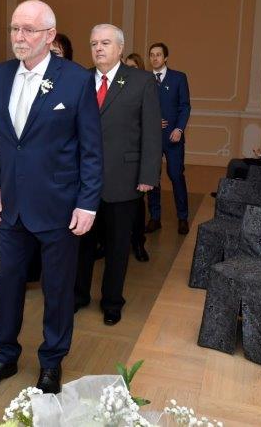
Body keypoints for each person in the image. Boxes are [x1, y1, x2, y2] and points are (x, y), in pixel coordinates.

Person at [0, 0, 102, 397]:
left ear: (49, 35)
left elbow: (91, 149)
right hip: (10, 206)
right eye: (15, 28)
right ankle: (5, 356)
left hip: (60, 205)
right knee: (8, 284)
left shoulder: (76, 79)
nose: (19, 37)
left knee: (57, 289)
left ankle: (51, 362)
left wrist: (87, 203)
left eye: (28, 30)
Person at [74, 25, 161, 325]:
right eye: (93, 43)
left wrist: (148, 175)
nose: (98, 48)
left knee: (117, 247)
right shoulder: (81, 79)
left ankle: (112, 301)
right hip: (82, 181)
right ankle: (78, 295)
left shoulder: (141, 81)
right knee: (81, 244)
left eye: (105, 43)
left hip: (123, 178)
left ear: (120, 48)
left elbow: (152, 132)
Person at [145, 43, 191, 235]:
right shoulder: (145, 79)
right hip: (152, 138)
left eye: (158, 55)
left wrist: (179, 129)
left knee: (176, 175)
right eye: (152, 55)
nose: (155, 58)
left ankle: (183, 218)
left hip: (173, 138)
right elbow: (138, 107)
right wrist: (152, 121)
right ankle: (155, 218)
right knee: (152, 178)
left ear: (165, 58)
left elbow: (185, 106)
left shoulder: (179, 78)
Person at [124, 52, 149, 261]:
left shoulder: (145, 86)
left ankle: (139, 242)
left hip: (136, 159)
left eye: (133, 67)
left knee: (137, 206)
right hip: (118, 159)